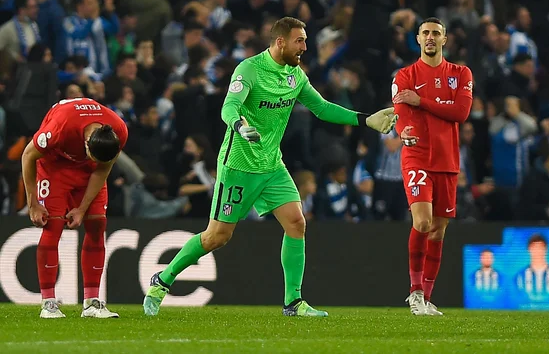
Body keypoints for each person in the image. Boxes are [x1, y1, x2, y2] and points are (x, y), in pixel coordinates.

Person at [143, 17, 397, 317]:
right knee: (217, 237)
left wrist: (364, 119)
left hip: (272, 165)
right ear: (280, 42)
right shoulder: (249, 69)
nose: (304, 47)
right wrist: (239, 125)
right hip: (238, 166)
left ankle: (293, 302)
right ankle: (162, 279)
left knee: (296, 223)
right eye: (299, 41)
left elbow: (322, 108)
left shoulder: (296, 76)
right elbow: (229, 107)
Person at [392, 17, 474, 315]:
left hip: (447, 160)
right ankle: (414, 292)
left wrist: (422, 100)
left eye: (435, 33)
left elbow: (461, 112)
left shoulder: (461, 73)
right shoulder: (404, 75)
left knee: (438, 230)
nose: (430, 37)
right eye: (425, 32)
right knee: (423, 222)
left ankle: (426, 298)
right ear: (417, 38)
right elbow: (400, 109)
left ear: (444, 39)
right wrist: (403, 131)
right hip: (417, 156)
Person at [21, 97, 128, 318]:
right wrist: (33, 203)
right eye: (93, 156)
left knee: (97, 225)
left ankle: (92, 302)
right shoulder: (60, 127)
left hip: (88, 173)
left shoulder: (119, 131)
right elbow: (28, 155)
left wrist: (82, 208)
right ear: (87, 143)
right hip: (54, 168)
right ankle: (48, 303)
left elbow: (101, 169)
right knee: (53, 227)